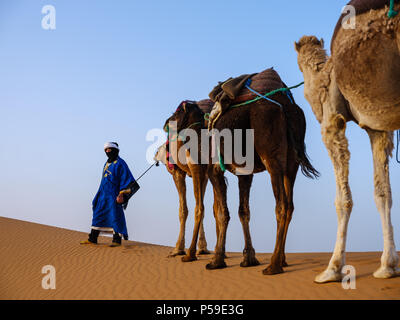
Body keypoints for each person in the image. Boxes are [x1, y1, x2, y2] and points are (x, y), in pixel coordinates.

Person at [80, 142, 139, 247]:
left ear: (115, 150)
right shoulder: (106, 163)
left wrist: (122, 195)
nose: (107, 152)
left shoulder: (120, 163)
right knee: (98, 215)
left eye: (109, 149)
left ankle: (116, 240)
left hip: (114, 195)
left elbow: (127, 179)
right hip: (102, 195)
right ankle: (92, 238)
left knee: (115, 216)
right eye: (106, 150)